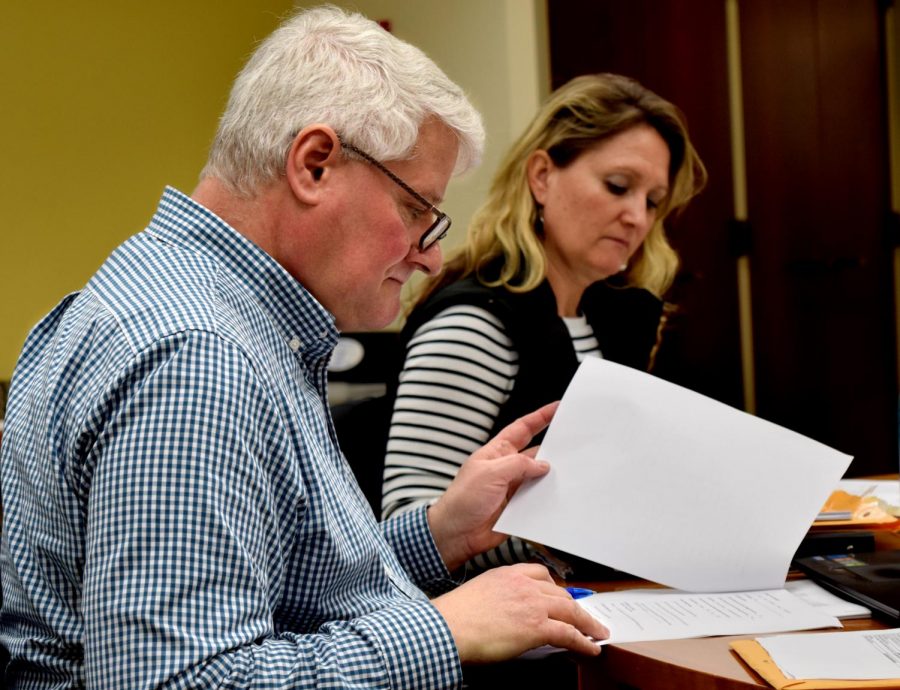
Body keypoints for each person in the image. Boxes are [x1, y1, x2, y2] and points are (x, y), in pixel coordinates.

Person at [0, 7, 608, 688]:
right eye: (416, 211)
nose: (431, 259)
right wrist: (443, 629)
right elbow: (176, 680)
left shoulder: (195, 305)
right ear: (314, 164)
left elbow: (279, 589)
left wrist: (438, 533)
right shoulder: (197, 358)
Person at [382, 73, 707, 569]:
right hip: (491, 624)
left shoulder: (614, 322)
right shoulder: (475, 326)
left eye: (652, 201)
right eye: (618, 186)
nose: (637, 217)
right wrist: (556, 545)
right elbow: (410, 531)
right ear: (542, 177)